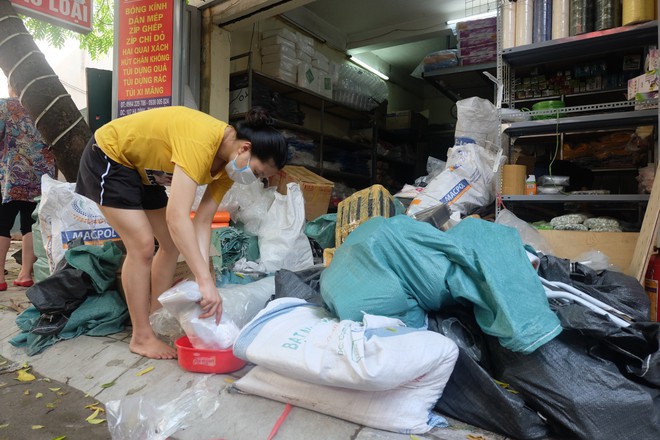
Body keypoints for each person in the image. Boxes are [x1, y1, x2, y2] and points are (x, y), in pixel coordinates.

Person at [75, 106, 287, 359]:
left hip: (143, 172)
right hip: (109, 156)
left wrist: (205, 276)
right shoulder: (201, 140)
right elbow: (176, 216)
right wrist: (204, 282)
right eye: (256, 172)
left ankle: (155, 317)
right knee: (141, 245)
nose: (252, 179)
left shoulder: (227, 168)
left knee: (170, 244)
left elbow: (202, 221)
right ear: (245, 148)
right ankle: (141, 337)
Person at [0, 83, 56, 291]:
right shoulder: (45, 108)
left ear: (11, 86)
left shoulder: (5, 106)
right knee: (29, 224)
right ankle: (25, 274)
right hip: (41, 177)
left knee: (2, 224)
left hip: (11, 176)